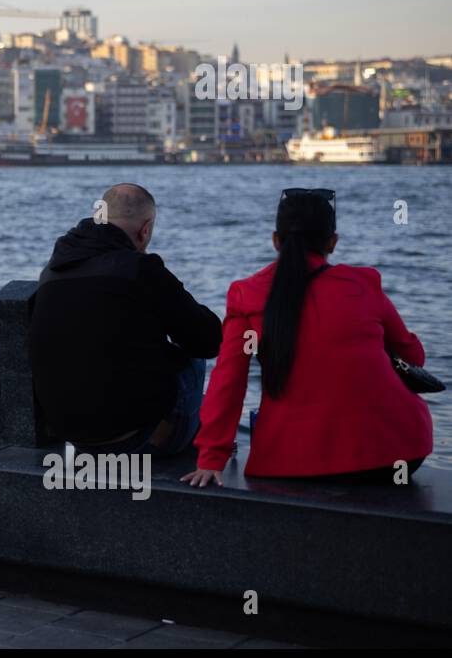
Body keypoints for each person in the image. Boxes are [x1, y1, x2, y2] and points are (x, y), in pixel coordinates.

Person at [183, 189, 433, 486]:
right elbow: (413, 358)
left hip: (293, 462)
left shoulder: (247, 294)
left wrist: (212, 458)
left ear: (276, 240)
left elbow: (229, 381)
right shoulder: (365, 283)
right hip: (399, 451)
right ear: (333, 242)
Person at [28, 183, 222, 454]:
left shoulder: (52, 271)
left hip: (73, 435)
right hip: (133, 439)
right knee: (192, 358)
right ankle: (177, 437)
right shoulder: (141, 269)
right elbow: (209, 340)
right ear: (145, 229)